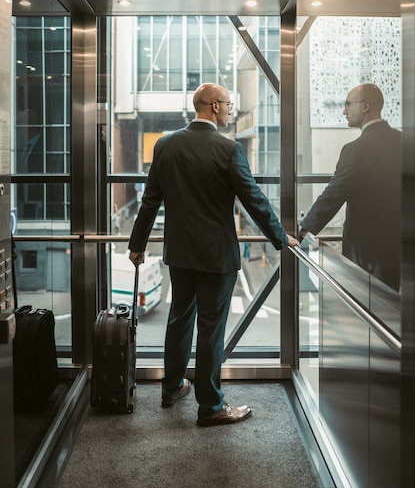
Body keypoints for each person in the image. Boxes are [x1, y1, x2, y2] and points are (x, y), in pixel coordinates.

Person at [129, 83, 299, 427]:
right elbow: (254, 201)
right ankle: (210, 406)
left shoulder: (165, 145)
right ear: (215, 106)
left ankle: (172, 388)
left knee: (179, 319)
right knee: (210, 329)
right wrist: (281, 238)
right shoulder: (228, 149)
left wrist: (137, 244)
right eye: (230, 104)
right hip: (217, 256)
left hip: (179, 253)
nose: (232, 110)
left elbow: (150, 201)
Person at [299, 83, 401, 291]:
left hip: (365, 254)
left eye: (347, 104)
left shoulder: (356, 150)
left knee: (366, 314)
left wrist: (303, 229)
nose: (344, 111)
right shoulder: (405, 142)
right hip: (399, 250)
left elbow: (333, 195)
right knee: (391, 314)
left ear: (365, 106)